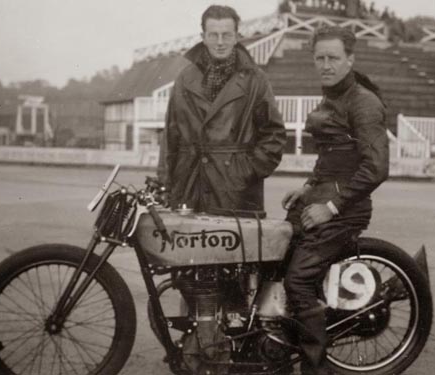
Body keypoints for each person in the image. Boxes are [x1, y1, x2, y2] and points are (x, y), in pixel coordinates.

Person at [281, 26, 389, 374]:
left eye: (333, 58)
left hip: (344, 212)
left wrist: (330, 206)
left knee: (297, 281)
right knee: (271, 257)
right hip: (320, 200)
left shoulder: (364, 102)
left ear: (350, 60)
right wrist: (308, 186)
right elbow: (331, 157)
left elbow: (376, 168)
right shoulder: (333, 97)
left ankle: (316, 367)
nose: (326, 65)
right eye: (320, 58)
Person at [157, 5, 286, 214]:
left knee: (234, 244)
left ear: (237, 36)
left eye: (226, 35)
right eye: (213, 35)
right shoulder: (184, 79)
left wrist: (244, 171)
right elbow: (170, 137)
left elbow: (274, 135)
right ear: (203, 37)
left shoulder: (256, 80)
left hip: (236, 191)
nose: (219, 42)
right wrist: (164, 184)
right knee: (188, 245)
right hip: (189, 186)